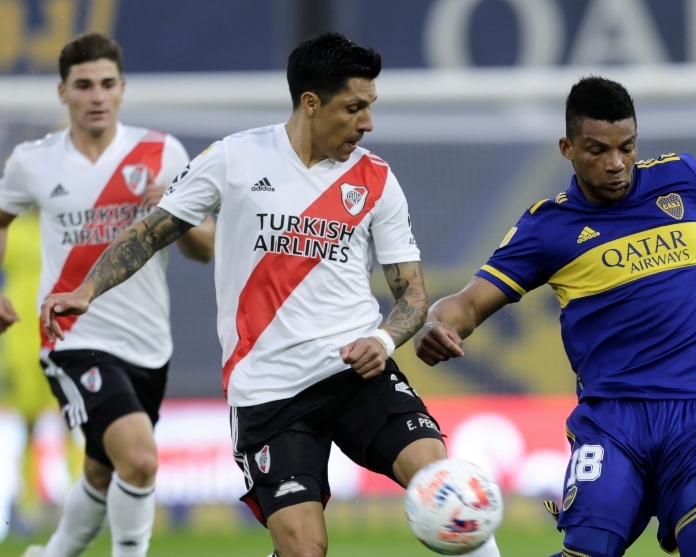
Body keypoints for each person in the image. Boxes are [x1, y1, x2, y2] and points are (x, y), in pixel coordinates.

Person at [38, 32, 500, 557]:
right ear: (311, 103)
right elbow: (149, 233)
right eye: (354, 108)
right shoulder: (234, 158)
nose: (367, 123)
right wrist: (86, 290)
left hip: (357, 375)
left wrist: (382, 340)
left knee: (446, 490)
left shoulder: (376, 179)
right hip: (269, 392)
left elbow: (412, 295)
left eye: (369, 107)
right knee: (305, 549)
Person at [414, 76, 696, 557]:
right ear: (568, 148)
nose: (616, 163)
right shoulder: (547, 229)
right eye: (597, 150)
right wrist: (437, 322)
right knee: (589, 551)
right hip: (613, 421)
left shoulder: (684, 179)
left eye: (626, 147)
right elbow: (470, 302)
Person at [0, 33, 215, 557]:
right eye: (83, 85)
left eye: (105, 84)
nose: (96, 96)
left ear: (122, 88)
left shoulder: (161, 154)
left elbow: (205, 249)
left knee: (102, 470)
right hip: (72, 337)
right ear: (62, 92)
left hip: (148, 343)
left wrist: (175, 211)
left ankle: (51, 554)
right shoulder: (33, 162)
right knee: (138, 459)